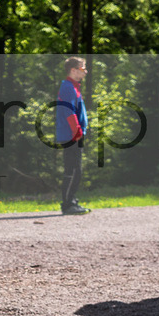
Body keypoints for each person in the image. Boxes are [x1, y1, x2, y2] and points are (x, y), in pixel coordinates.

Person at [55, 56, 90, 215]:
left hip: (73, 134)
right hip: (71, 135)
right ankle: (68, 204)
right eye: (83, 68)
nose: (85, 72)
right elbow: (68, 111)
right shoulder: (68, 87)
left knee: (74, 169)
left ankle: (71, 201)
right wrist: (77, 131)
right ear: (73, 70)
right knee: (74, 170)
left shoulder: (73, 87)